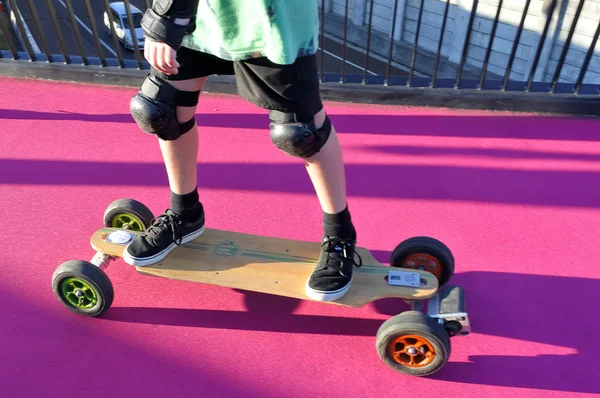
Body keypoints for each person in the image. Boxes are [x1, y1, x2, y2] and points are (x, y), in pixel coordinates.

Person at [123, 0, 362, 301]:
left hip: (268, 16)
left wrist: (166, 19)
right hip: (200, 14)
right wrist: (168, 18)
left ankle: (340, 235)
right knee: (162, 110)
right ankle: (185, 214)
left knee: (301, 133)